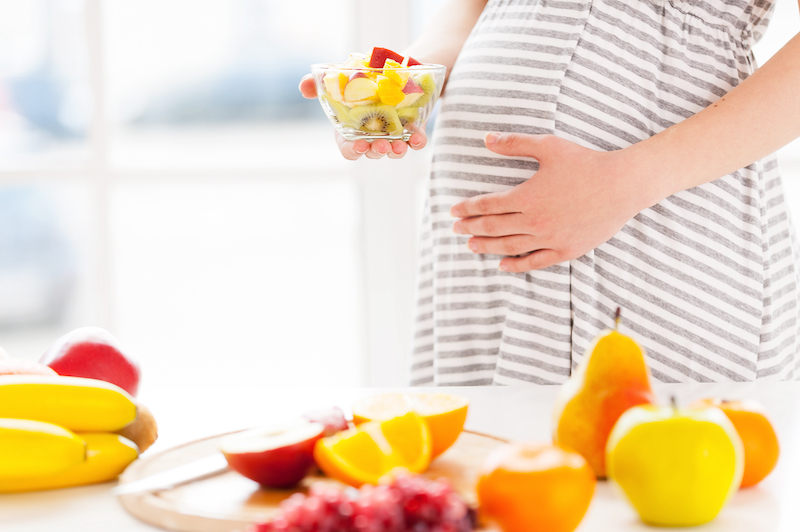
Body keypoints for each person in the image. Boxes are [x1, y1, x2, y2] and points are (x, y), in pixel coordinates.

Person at [300, 0, 800, 385]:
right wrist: (410, 80)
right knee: (487, 481)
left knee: (649, 486)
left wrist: (625, 182)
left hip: (657, 225)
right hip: (476, 272)